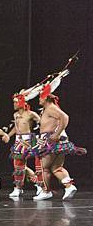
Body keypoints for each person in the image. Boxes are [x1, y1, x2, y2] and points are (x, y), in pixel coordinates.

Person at [32, 70, 87, 200]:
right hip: (55, 139)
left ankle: (46, 191)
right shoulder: (49, 108)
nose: (38, 100)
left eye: (40, 97)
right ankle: (69, 186)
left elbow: (65, 117)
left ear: (45, 97)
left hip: (51, 139)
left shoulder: (51, 108)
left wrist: (56, 134)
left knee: (45, 168)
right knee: (57, 167)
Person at [6, 89, 43, 198]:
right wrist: (8, 135)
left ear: (21, 103)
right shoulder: (15, 115)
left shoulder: (31, 114)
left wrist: (42, 136)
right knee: (18, 166)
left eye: (15, 102)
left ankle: (40, 185)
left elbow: (42, 123)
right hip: (18, 140)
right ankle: (18, 187)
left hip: (29, 140)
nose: (14, 104)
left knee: (38, 165)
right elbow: (15, 128)